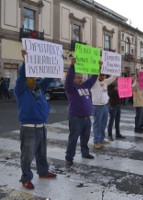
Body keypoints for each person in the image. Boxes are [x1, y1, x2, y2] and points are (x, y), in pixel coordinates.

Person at [14, 50, 56, 189]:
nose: (32, 80)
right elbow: (21, 77)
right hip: (28, 128)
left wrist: (57, 62)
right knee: (27, 156)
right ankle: (26, 178)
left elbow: (49, 79)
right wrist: (25, 62)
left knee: (42, 153)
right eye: (29, 78)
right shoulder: (21, 90)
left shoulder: (39, 89)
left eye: (34, 77)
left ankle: (43, 171)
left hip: (41, 127)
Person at [65, 58, 98, 166]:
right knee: (73, 138)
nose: (80, 79)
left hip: (86, 118)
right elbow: (69, 79)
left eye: (81, 77)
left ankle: (85, 153)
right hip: (75, 118)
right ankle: (69, 157)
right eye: (78, 77)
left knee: (86, 137)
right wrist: (72, 66)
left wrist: (98, 67)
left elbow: (93, 78)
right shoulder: (71, 87)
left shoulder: (85, 86)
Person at [91, 72, 117, 148]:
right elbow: (93, 75)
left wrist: (117, 68)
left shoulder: (105, 82)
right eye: (101, 75)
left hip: (105, 106)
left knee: (103, 124)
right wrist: (99, 67)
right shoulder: (94, 82)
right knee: (97, 125)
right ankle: (96, 141)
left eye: (104, 75)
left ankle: (101, 139)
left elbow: (113, 77)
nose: (102, 76)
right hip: (97, 107)